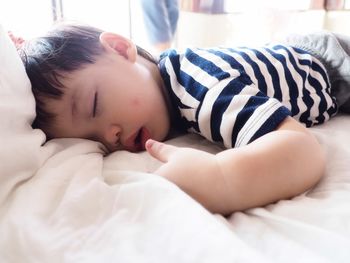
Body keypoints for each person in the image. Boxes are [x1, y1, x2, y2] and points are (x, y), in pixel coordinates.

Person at [16, 22, 350, 215]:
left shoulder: (197, 87)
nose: (110, 134)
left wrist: (220, 178)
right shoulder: (164, 96)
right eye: (94, 139)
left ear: (120, 49)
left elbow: (301, 150)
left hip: (335, 62)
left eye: (94, 105)